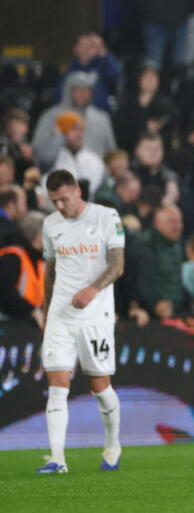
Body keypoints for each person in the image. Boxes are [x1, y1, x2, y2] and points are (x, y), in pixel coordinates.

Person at [36, 170, 125, 474]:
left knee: (100, 387)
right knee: (57, 385)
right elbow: (49, 271)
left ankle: (113, 444)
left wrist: (93, 289)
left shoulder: (105, 217)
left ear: (76, 190)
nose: (59, 206)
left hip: (95, 314)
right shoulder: (50, 225)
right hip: (61, 313)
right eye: (54, 201)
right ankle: (57, 459)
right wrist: (47, 311)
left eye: (63, 198)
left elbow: (117, 264)